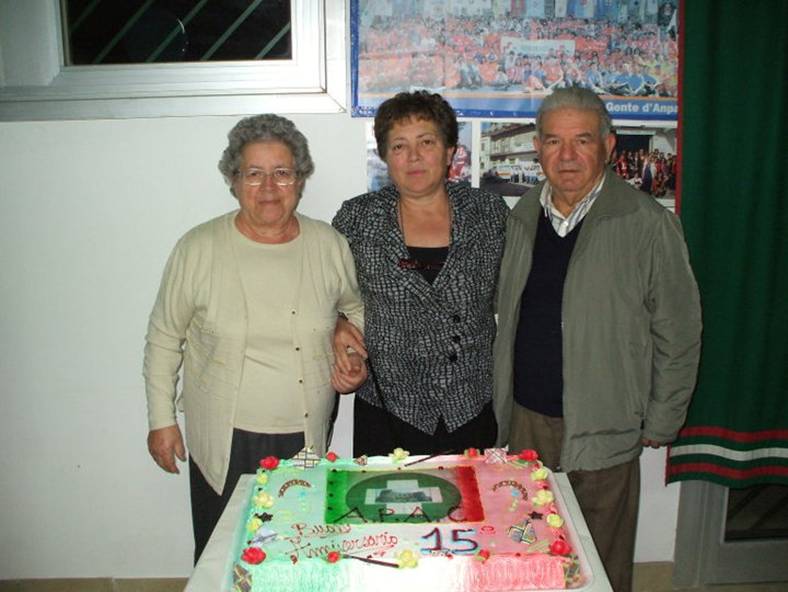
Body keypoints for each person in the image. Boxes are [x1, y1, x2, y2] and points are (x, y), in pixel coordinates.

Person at [492, 88, 701, 592]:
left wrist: (663, 416)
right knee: (529, 555)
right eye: (554, 141)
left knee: (598, 567)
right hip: (526, 423)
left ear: (607, 146)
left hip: (605, 425)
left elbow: (679, 329)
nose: (567, 155)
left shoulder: (646, 223)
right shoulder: (521, 218)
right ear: (537, 148)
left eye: (582, 140)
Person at [143, 114, 364, 563]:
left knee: (293, 552)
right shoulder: (198, 248)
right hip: (224, 438)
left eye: (282, 173)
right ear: (233, 179)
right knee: (224, 555)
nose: (268, 188)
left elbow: (354, 308)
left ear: (300, 179)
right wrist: (161, 420)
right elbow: (164, 338)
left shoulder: (328, 245)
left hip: (304, 437)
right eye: (253, 174)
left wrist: (350, 344)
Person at [333, 91, 509, 457]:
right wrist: (337, 325)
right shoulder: (357, 218)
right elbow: (324, 293)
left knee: (470, 496)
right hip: (387, 409)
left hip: (470, 406)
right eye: (399, 146)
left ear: (449, 151)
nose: (413, 156)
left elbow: (516, 292)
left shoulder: (490, 214)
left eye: (426, 142)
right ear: (385, 156)